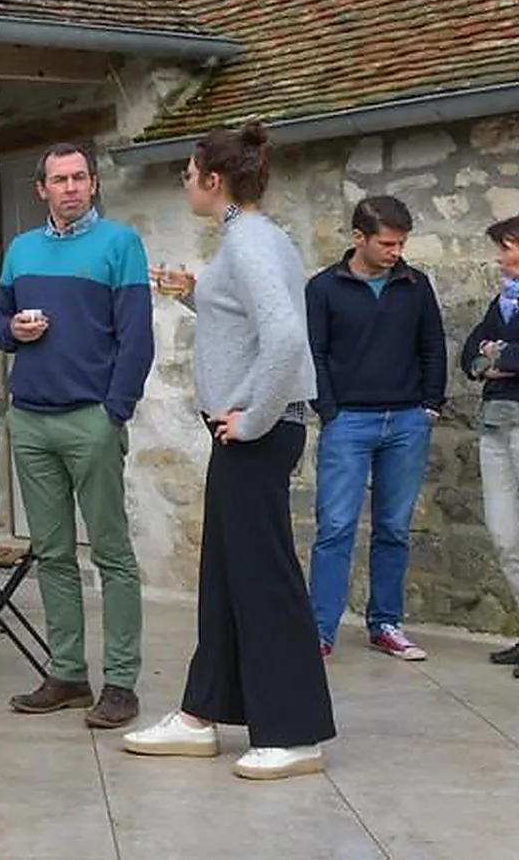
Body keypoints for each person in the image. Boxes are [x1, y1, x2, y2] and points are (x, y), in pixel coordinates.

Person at [124, 122, 335, 782]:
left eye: (188, 173)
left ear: (214, 180)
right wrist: (196, 295)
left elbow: (284, 340)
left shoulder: (248, 243)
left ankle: (296, 733)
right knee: (224, 575)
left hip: (258, 433)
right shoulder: (244, 240)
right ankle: (199, 714)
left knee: (263, 579)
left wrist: (251, 419)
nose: (185, 181)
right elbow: (250, 325)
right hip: (248, 431)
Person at [0, 143, 153, 729]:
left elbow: (137, 339)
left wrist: (116, 411)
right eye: (59, 179)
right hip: (30, 418)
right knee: (52, 553)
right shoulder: (21, 249)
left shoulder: (119, 244)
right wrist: (15, 329)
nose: (71, 187)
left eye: (80, 177)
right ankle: (67, 674)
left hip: (92, 418)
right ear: (42, 190)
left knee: (111, 553)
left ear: (94, 184)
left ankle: (121, 683)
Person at [306, 195, 445, 662]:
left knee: (393, 528)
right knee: (336, 527)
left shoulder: (415, 284)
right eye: (387, 243)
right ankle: (319, 631)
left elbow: (432, 345)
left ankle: (385, 623)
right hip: (348, 421)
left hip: (408, 420)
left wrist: (430, 405)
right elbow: (314, 352)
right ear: (358, 238)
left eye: (401, 243)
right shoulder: (323, 288)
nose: (396, 252)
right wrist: (329, 410)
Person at [459, 214, 519, 676]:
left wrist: (498, 356)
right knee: (505, 536)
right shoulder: (502, 302)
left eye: (505, 247)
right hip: (495, 422)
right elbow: (470, 353)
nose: (499, 257)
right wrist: (493, 358)